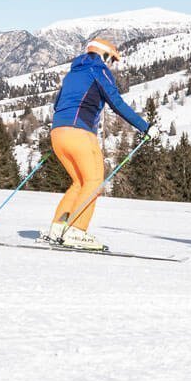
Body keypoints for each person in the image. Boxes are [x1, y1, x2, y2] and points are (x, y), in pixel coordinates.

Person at [41, 38, 151, 250]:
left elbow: (57, 104)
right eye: (111, 59)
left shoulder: (72, 73)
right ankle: (76, 230)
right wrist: (145, 127)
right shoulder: (98, 71)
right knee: (94, 181)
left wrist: (63, 131)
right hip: (80, 133)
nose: (111, 64)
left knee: (79, 183)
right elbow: (116, 103)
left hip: (58, 134)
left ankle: (58, 228)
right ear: (104, 55)